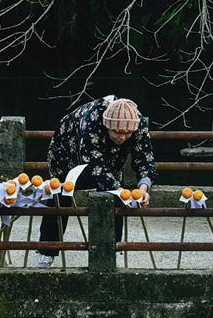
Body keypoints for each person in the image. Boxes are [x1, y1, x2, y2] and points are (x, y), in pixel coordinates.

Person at [35, 96, 157, 268]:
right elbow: (94, 165)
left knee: (115, 196)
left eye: (127, 133)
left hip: (111, 156)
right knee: (60, 194)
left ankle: (109, 251)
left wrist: (143, 187)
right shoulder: (92, 121)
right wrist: (122, 192)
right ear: (107, 125)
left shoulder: (137, 123)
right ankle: (47, 251)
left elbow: (145, 158)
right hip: (68, 150)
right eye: (117, 132)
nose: (122, 137)